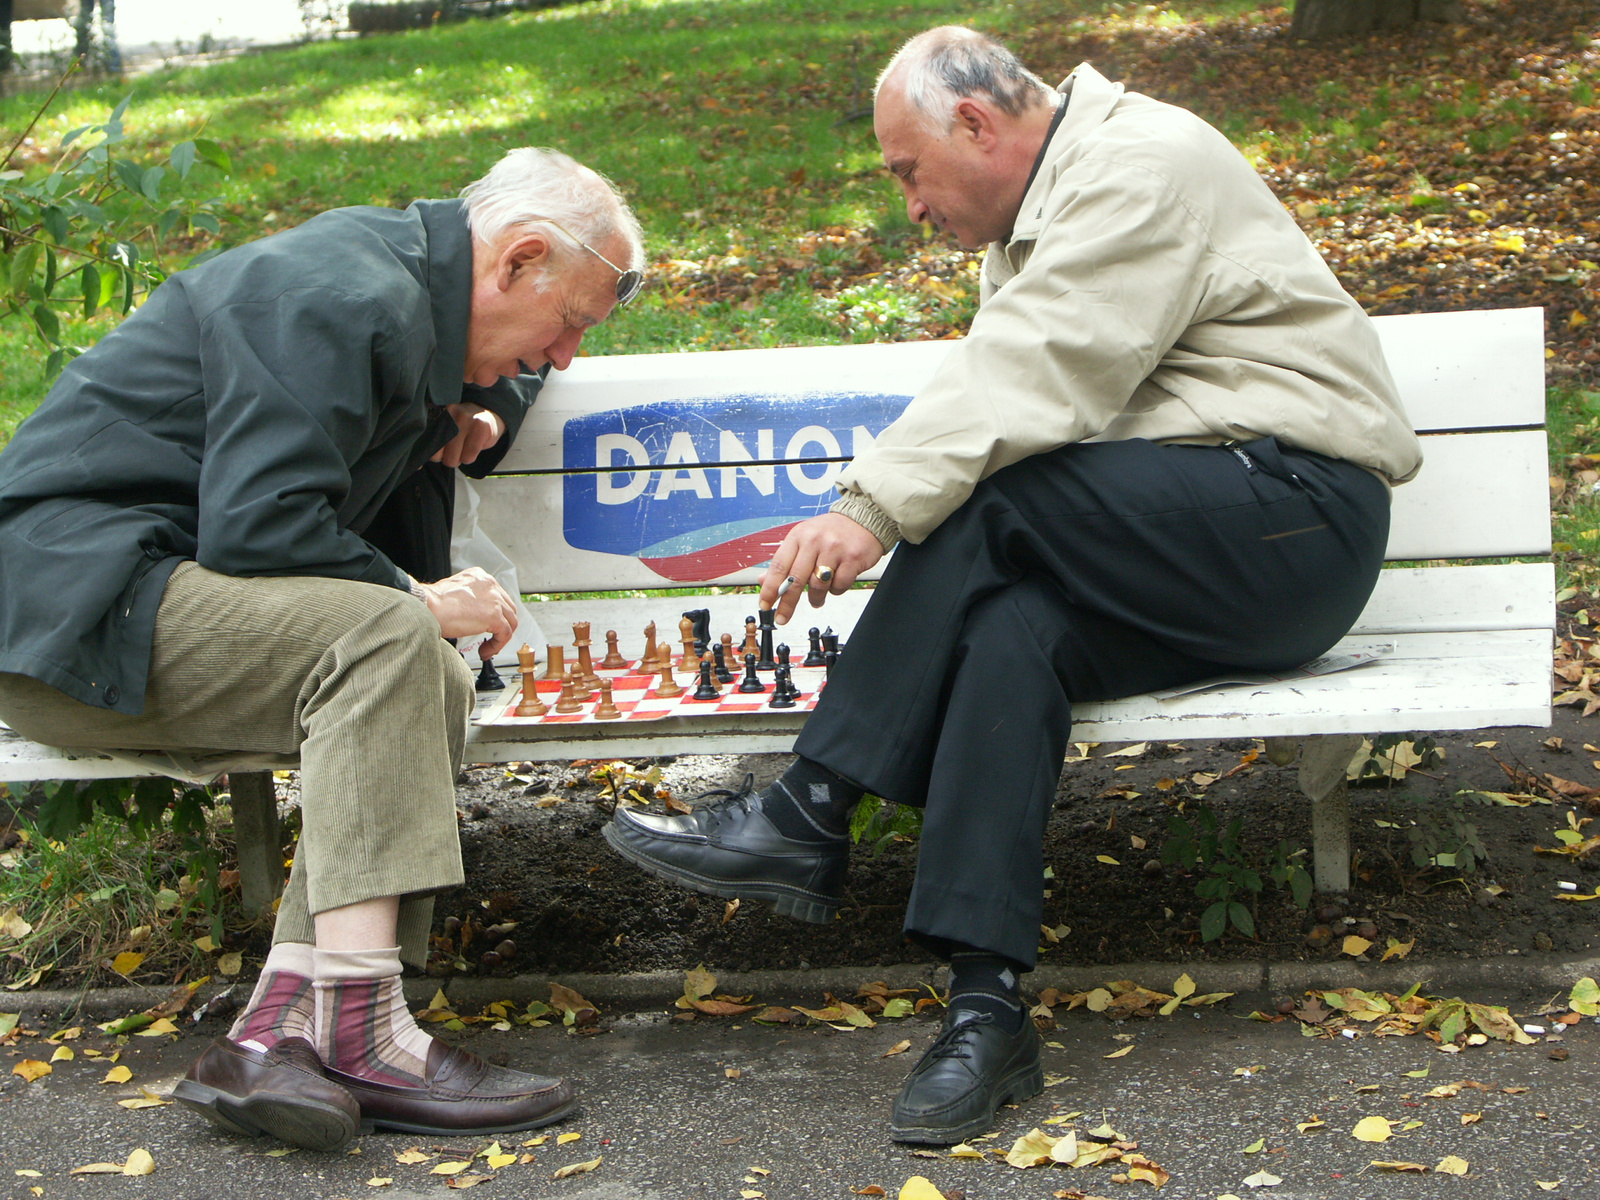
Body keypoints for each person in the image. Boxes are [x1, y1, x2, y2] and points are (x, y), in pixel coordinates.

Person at [603, 26, 1422, 1146]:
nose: (909, 204)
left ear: (977, 126)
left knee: (991, 503)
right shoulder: (1052, 207)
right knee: (1010, 632)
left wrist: (868, 507)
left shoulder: (1138, 166)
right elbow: (1041, 397)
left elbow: (1036, 364)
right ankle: (987, 1010)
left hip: (1292, 519)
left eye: (906, 171)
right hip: (1192, 541)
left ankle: (808, 807)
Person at [0, 147, 644, 1151]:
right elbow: (258, 526)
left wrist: (471, 406)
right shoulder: (337, 295)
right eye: (568, 326)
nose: (564, 357)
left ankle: (277, 1035)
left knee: (417, 661)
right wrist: (417, 593)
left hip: (135, 604)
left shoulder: (416, 298)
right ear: (516, 262)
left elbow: (486, 367)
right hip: (71, 614)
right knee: (394, 635)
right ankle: (358, 1029)